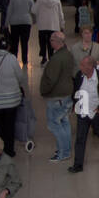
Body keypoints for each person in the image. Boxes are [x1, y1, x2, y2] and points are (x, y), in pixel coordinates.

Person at [39, 31, 77, 163]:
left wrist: (43, 90)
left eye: (51, 40)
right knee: (64, 123)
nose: (50, 43)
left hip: (57, 97)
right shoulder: (68, 55)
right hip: (66, 95)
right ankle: (66, 150)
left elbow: (51, 79)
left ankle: (62, 152)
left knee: (54, 124)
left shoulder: (56, 59)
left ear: (56, 42)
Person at [68, 54, 99, 173]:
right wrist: (76, 103)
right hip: (83, 112)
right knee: (80, 138)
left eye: (83, 65)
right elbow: (75, 91)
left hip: (96, 112)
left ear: (90, 67)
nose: (80, 67)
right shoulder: (79, 76)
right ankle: (78, 165)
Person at [31, 0, 64, 65]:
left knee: (42, 41)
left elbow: (33, 10)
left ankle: (43, 57)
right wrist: (62, 25)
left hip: (42, 25)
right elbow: (60, 14)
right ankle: (51, 56)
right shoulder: (57, 0)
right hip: (54, 25)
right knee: (52, 41)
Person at [4, 0, 34, 67]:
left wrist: (6, 23)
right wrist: (34, 20)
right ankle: (25, 60)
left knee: (15, 42)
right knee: (25, 42)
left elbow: (9, 11)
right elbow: (33, 10)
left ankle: (14, 58)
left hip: (15, 23)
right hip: (26, 22)